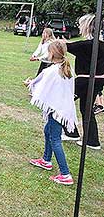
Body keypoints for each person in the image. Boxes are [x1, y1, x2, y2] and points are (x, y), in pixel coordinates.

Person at [25, 40, 76, 185]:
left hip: (56, 110)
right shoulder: (65, 68)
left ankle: (65, 174)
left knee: (55, 139)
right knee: (48, 131)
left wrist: (30, 84)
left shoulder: (53, 71)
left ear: (52, 53)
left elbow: (42, 89)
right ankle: (46, 160)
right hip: (59, 108)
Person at [62, 14, 104, 150]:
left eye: (80, 25)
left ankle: (71, 132)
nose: (79, 27)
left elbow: (66, 47)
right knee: (86, 109)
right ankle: (92, 141)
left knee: (63, 100)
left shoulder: (87, 45)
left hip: (85, 80)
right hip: (98, 81)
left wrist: (58, 42)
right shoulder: (100, 45)